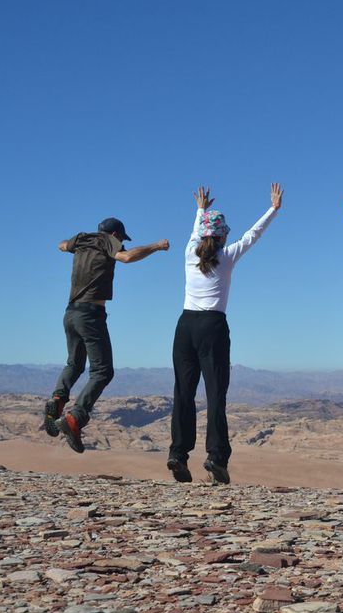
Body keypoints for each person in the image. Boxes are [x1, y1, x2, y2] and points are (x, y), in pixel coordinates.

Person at [167, 183, 283, 484]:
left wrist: (200, 210)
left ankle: (178, 454)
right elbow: (252, 236)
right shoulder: (226, 256)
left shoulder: (189, 254)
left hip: (185, 328)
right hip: (212, 328)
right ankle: (216, 457)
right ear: (220, 236)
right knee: (215, 395)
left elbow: (197, 232)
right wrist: (273, 209)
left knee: (183, 393)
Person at [45, 219, 169, 453]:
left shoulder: (83, 239)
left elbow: (61, 245)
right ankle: (74, 419)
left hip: (70, 313)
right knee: (103, 371)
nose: (120, 243)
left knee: (74, 363)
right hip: (90, 315)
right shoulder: (108, 240)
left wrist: (75, 243)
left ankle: (58, 400)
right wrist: (156, 246)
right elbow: (127, 257)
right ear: (114, 234)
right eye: (121, 239)